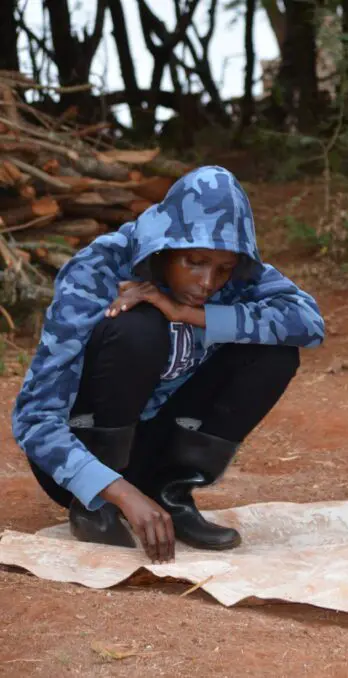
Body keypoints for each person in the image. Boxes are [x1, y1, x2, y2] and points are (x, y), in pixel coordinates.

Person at [12, 165, 325, 564]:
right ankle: (94, 508)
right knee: (139, 328)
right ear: (165, 246)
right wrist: (116, 490)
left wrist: (186, 313)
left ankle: (170, 493)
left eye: (223, 268)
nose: (209, 282)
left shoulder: (237, 276)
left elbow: (310, 323)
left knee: (274, 352)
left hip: (154, 447)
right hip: (82, 459)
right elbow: (34, 417)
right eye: (194, 262)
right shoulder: (99, 269)